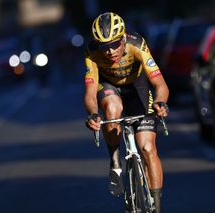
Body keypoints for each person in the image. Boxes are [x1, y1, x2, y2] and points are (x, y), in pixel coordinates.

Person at [84, 12, 169, 213]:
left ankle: (156, 207)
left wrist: (160, 102)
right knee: (113, 109)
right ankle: (115, 159)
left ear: (123, 38)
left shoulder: (136, 44)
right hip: (109, 87)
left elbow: (160, 84)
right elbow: (89, 92)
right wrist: (93, 113)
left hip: (137, 88)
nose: (110, 51)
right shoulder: (92, 52)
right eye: (104, 47)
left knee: (147, 148)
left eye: (114, 44)